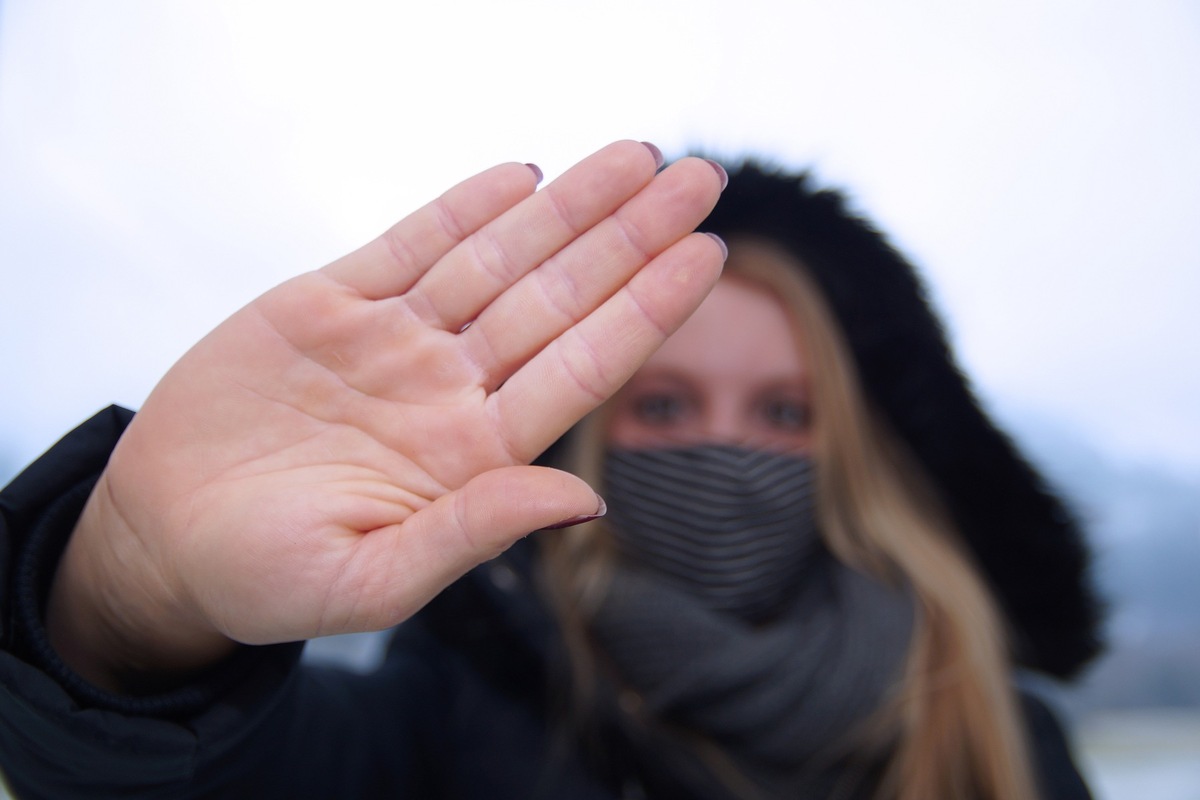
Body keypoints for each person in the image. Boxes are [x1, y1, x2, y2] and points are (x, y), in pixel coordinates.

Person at [0, 140, 1101, 799]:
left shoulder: (1004, 740)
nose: (725, 448)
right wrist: (132, 592)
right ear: (588, 430)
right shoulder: (451, 708)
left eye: (784, 409)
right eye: (665, 403)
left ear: (853, 450)